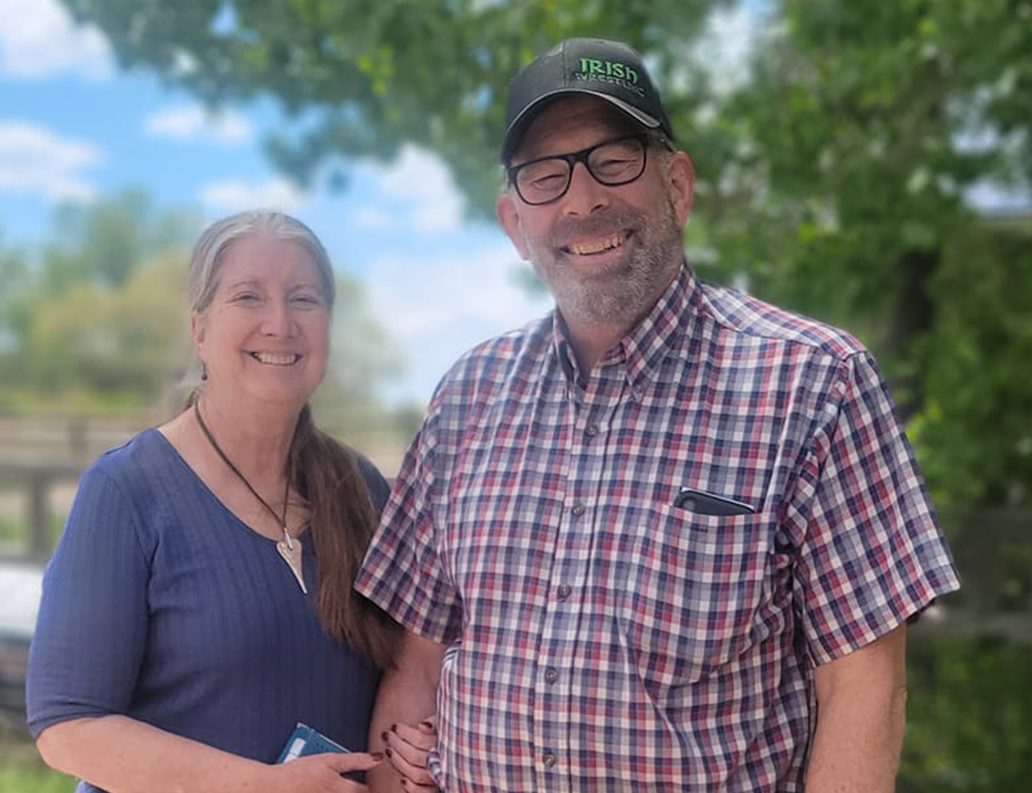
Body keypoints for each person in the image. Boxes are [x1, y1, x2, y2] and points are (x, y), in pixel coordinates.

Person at [359, 37, 961, 792]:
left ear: (677, 184)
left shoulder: (813, 384)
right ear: (514, 223)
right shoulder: (465, 397)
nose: (581, 201)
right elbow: (416, 661)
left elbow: (864, 686)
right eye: (545, 176)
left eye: (613, 159)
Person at [26, 210, 401, 793]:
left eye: (303, 299)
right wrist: (259, 786)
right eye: (249, 297)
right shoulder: (127, 491)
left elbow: (402, 675)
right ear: (199, 328)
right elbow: (68, 726)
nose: (280, 324)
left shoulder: (362, 488)